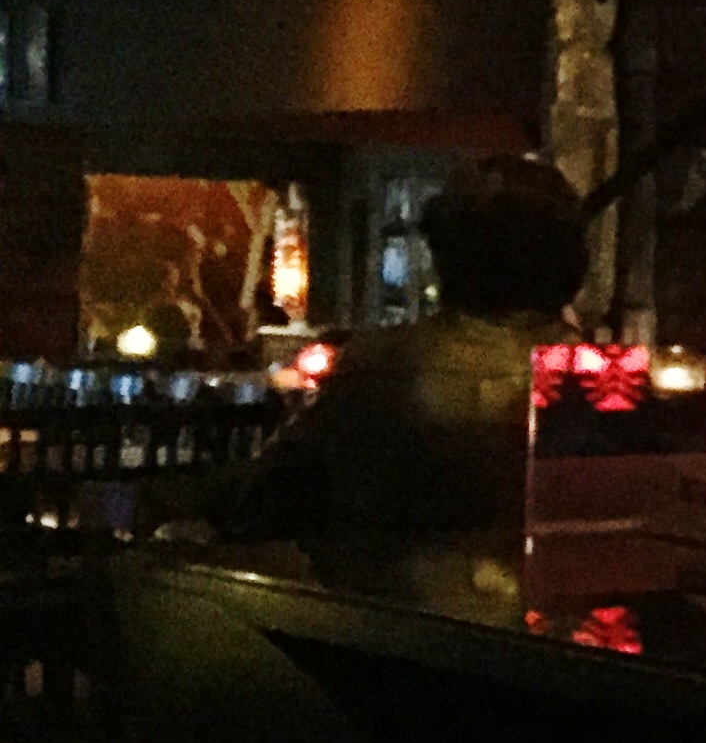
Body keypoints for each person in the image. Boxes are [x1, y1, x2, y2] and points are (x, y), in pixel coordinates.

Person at [197, 156, 587, 602]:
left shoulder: (382, 361)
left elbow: (273, 493)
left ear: (446, 252)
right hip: (566, 627)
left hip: (395, 619)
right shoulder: (606, 378)